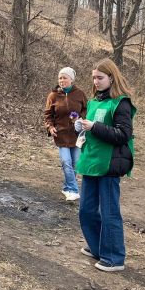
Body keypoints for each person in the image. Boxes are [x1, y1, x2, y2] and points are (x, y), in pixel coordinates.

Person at [75, 59, 135, 272]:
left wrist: (95, 127)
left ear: (111, 78)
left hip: (109, 164)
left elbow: (123, 135)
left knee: (110, 212)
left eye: (100, 78)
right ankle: (98, 247)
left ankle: (114, 257)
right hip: (90, 162)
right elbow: (92, 130)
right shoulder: (93, 102)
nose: (96, 81)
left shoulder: (121, 103)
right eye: (93, 77)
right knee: (86, 211)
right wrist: (82, 128)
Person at [43, 67, 88, 201]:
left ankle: (67, 187)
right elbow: (48, 115)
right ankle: (73, 190)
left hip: (76, 135)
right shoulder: (53, 95)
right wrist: (50, 127)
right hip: (61, 134)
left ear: (71, 79)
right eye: (60, 78)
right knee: (66, 161)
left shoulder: (80, 94)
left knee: (75, 163)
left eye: (65, 77)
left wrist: (80, 119)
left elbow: (87, 110)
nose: (62, 80)